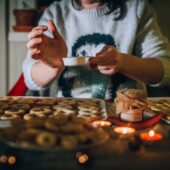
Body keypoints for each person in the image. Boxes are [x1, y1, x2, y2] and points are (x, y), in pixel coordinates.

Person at [23, 0, 170, 100]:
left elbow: (165, 69)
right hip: (67, 114)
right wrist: (53, 66)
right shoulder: (55, 12)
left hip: (125, 114)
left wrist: (123, 62)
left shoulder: (137, 8)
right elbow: (31, 77)